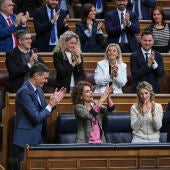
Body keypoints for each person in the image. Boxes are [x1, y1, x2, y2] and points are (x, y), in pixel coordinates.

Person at [13, 62, 66, 170]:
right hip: (25, 141)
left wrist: (53, 103)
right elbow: (36, 117)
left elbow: (43, 111)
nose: (46, 81)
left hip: (39, 138)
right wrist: (51, 104)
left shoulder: (40, 91)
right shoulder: (24, 92)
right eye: (45, 78)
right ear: (36, 75)